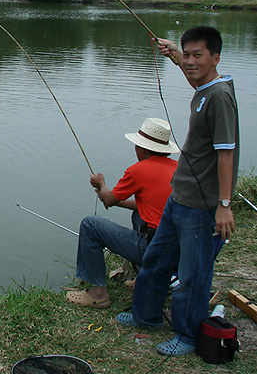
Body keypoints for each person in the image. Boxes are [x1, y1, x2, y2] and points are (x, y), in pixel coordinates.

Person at [117, 25, 240, 358]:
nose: (191, 62)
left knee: (192, 274)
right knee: (156, 260)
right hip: (179, 195)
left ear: (215, 57)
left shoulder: (220, 97)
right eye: (187, 55)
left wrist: (224, 205)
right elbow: (194, 79)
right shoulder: (205, 89)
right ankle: (146, 316)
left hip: (201, 205)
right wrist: (174, 57)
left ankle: (187, 334)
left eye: (197, 55)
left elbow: (226, 153)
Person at [66, 117, 180, 309]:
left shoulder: (138, 170)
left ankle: (98, 293)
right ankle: (145, 277)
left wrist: (101, 184)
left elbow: (109, 200)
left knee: (89, 224)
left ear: (142, 148)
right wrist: (110, 197)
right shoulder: (177, 169)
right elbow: (148, 206)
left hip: (154, 250)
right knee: (139, 215)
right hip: (178, 252)